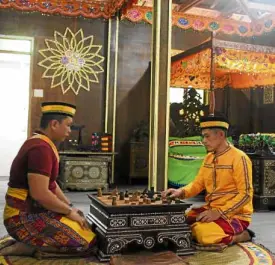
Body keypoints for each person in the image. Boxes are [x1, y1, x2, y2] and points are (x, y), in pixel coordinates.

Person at [0, 102, 96, 257]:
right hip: (21, 218)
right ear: (54, 124)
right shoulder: (40, 148)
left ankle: (30, 244)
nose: (69, 131)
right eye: (68, 125)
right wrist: (68, 212)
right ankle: (28, 248)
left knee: (86, 228)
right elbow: (40, 194)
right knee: (86, 243)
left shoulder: (43, 143)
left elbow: (51, 183)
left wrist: (69, 206)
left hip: (36, 212)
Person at [162, 116, 254, 246]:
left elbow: (245, 195)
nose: (204, 141)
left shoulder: (240, 158)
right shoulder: (208, 158)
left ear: (221, 135)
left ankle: (242, 236)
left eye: (207, 136)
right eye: (203, 137)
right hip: (210, 209)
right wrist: (180, 191)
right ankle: (210, 229)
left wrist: (219, 212)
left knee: (203, 234)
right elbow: (198, 183)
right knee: (176, 221)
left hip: (234, 215)